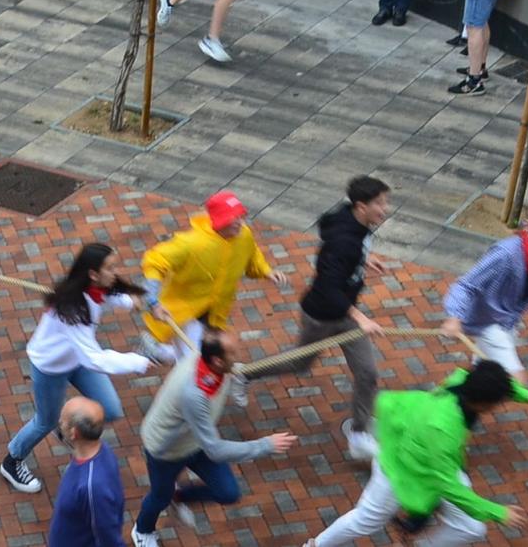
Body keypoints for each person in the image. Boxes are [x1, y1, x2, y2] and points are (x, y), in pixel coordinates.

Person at [301, 360, 528, 547]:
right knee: (366, 521)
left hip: (432, 465)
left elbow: (493, 382)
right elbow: (448, 485)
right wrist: (497, 512)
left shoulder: (462, 381)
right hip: (400, 472)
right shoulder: (442, 428)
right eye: (497, 403)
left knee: (472, 527)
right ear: (484, 404)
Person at [244, 176, 392, 461]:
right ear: (361, 206)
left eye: (385, 202)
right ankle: (243, 373)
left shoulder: (353, 223)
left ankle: (359, 434)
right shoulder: (343, 243)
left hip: (345, 316)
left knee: (368, 374)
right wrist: (360, 316)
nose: (384, 209)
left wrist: (363, 260)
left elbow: (336, 240)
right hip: (322, 316)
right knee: (301, 363)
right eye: (379, 204)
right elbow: (328, 286)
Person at [0, 243, 151, 495]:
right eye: (110, 268)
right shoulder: (71, 309)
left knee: (110, 409)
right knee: (44, 421)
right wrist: (140, 361)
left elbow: (110, 295)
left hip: (76, 360)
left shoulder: (94, 288)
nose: (115, 273)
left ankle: (66, 426)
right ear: (93, 273)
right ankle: (12, 460)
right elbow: (95, 359)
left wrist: (133, 303)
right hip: (53, 367)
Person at [131, 331, 296, 547]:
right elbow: (215, 450)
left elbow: (229, 371)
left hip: (195, 440)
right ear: (217, 361)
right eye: (233, 354)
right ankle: (142, 530)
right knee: (159, 497)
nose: (238, 356)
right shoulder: (195, 394)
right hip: (167, 450)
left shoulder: (211, 363)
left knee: (227, 492)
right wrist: (265, 445)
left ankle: (179, 495)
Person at [138, 190, 282, 365]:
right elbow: (154, 261)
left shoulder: (244, 236)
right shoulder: (190, 244)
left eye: (240, 216)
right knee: (197, 362)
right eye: (233, 218)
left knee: (197, 359)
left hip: (214, 312)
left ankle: (157, 353)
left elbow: (252, 255)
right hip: (185, 312)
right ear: (219, 220)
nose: (239, 223)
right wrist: (153, 300)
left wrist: (265, 271)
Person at [439, 201, 528, 376]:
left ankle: (461, 395)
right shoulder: (505, 254)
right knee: (516, 378)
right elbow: (466, 285)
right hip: (488, 322)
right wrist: (455, 316)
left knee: (483, 373)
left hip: (507, 322)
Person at [45, 395, 127, 547]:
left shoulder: (92, 486)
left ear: (74, 433)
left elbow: (108, 536)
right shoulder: (103, 450)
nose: (59, 424)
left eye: (62, 421)